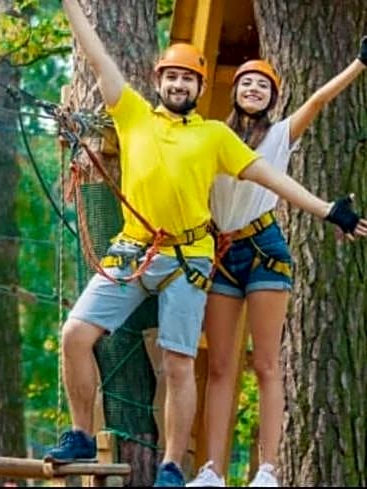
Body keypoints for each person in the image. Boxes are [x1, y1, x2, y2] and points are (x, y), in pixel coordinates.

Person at [47, 1, 367, 486]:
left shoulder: (215, 135)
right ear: (158, 82)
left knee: (180, 361)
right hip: (134, 248)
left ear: (199, 89)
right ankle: (80, 434)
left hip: (191, 256)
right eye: (171, 78)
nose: (179, 85)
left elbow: (269, 177)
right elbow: (98, 56)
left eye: (188, 80)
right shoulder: (132, 113)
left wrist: (326, 210)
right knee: (75, 335)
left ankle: (175, 466)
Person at [187, 37, 367, 488]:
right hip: (222, 252)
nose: (253, 89)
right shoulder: (212, 135)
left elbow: (318, 100)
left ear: (272, 98)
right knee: (222, 366)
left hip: (264, 247)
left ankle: (268, 470)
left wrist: (360, 62)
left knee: (265, 364)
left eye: (263, 85)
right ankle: (212, 470)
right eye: (246, 82)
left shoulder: (281, 135)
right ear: (234, 91)